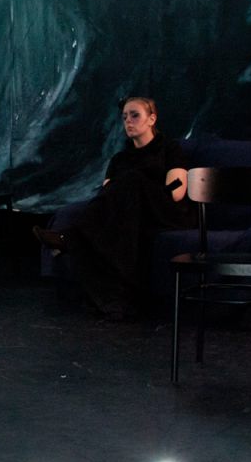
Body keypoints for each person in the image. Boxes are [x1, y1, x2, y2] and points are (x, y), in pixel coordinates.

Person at [35, 96, 192, 319]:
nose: (128, 121)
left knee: (132, 180)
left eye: (135, 115)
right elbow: (107, 195)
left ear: (151, 119)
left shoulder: (169, 149)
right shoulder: (120, 159)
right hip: (130, 213)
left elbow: (176, 192)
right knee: (118, 219)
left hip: (165, 210)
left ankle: (69, 237)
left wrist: (139, 188)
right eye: (125, 117)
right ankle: (115, 300)